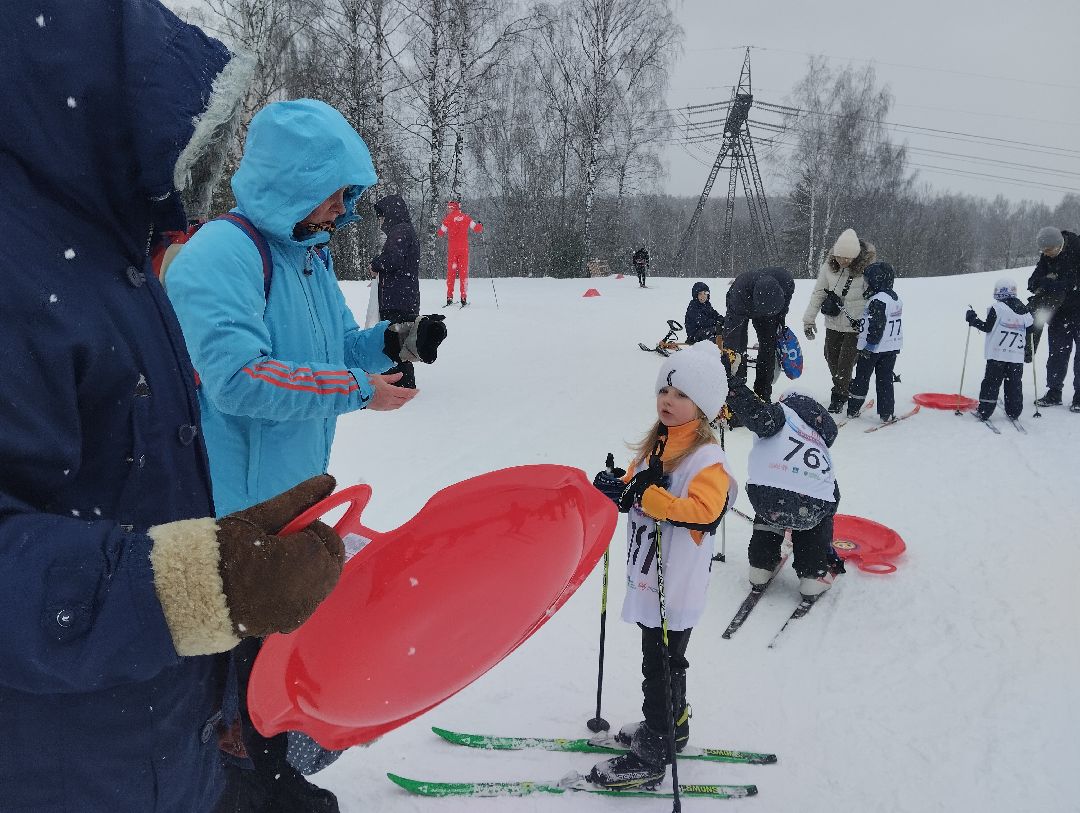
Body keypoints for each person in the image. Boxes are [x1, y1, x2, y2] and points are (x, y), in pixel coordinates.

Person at [0, 4, 349, 811]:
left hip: (159, 743)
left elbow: (127, 484)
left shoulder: (110, 257)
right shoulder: (25, 268)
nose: (203, 158)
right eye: (190, 132)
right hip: (69, 768)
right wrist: (203, 583)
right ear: (95, 106)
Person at [165, 99, 447, 812]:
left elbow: (326, 349)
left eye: (347, 193)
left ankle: (261, 775)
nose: (342, 206)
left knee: (274, 657)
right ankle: (247, 787)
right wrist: (357, 391)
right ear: (292, 178)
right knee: (242, 667)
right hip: (235, 506)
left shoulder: (305, 254)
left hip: (292, 496)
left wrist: (398, 339)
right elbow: (238, 375)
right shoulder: (221, 256)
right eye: (333, 189)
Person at [589, 342, 737, 789]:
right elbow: (639, 484)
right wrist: (618, 487)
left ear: (704, 405)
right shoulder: (660, 441)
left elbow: (705, 512)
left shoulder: (707, 458)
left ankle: (655, 748)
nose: (668, 401)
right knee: (661, 658)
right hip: (652, 575)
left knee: (661, 663)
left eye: (681, 395)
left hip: (677, 582)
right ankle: (674, 726)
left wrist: (646, 496)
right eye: (665, 390)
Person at [720, 356, 845, 600]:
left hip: (766, 495)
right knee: (816, 515)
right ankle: (812, 575)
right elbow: (831, 492)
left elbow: (756, 413)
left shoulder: (782, 414)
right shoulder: (818, 434)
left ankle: (760, 566)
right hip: (814, 502)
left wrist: (729, 385)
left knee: (773, 504)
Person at [802, 228, 877, 413]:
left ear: (856, 257)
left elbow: (875, 297)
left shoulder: (868, 269)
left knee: (844, 364)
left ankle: (839, 395)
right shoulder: (829, 266)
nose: (842, 261)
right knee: (831, 357)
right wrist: (808, 319)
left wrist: (872, 322)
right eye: (839, 257)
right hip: (833, 321)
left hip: (855, 324)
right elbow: (819, 292)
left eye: (847, 258)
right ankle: (846, 385)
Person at [723, 266, 796, 403]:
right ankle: (737, 395)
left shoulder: (786, 281)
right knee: (737, 351)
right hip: (743, 305)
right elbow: (732, 333)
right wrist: (731, 355)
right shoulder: (739, 295)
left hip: (770, 309)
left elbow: (783, 308)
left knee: (769, 347)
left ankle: (763, 393)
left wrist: (779, 322)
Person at [965, 279, 1034, 423]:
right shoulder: (1026, 311)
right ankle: (1014, 411)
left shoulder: (997, 308)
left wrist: (972, 319)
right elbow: (1031, 329)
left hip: (997, 354)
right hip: (1016, 357)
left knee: (991, 383)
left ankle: (985, 411)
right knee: (1014, 384)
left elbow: (987, 327)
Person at [372, 194, 422, 388]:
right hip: (404, 296)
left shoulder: (400, 231)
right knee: (402, 340)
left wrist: (375, 264)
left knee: (395, 340)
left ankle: (400, 383)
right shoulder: (405, 230)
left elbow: (392, 259)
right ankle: (403, 380)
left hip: (397, 298)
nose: (380, 221)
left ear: (390, 213)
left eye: (382, 216)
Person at [1028, 227, 1080, 410]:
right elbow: (1032, 282)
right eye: (1043, 251)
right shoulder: (1046, 257)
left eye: (1049, 250)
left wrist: (1053, 282)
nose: (1046, 254)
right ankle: (1054, 393)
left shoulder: (1077, 249)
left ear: (1060, 244)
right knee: (1057, 353)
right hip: (1059, 312)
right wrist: (1050, 282)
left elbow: (1072, 282)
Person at [846, 262, 903, 423]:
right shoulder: (894, 298)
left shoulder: (878, 300)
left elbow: (878, 325)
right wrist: (862, 323)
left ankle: (853, 409)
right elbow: (877, 320)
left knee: (861, 378)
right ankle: (887, 412)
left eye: (868, 280)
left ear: (877, 280)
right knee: (885, 380)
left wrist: (869, 346)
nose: (866, 284)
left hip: (872, 349)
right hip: (891, 348)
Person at [437, 200, 483, 307]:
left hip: (452, 251)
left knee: (451, 274)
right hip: (463, 250)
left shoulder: (448, 219)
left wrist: (444, 224)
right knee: (463, 274)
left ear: (453, 208)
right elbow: (476, 229)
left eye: (449, 208)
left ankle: (449, 297)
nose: (447, 210)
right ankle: (463, 297)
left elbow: (440, 233)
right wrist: (480, 225)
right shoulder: (466, 217)